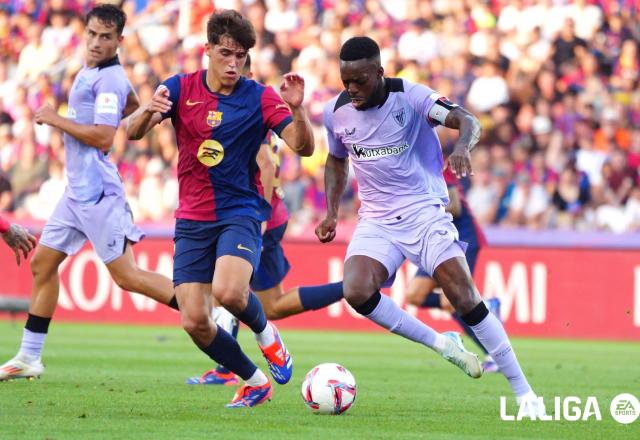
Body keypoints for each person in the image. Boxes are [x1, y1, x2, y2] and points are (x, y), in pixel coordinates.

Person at [315, 37, 544, 415]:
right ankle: (443, 345)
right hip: (377, 219)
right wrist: (331, 212)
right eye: (345, 81)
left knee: (465, 297)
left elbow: (467, 120)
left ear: (379, 73)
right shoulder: (335, 112)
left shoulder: (411, 96)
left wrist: (461, 147)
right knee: (356, 290)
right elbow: (336, 161)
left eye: (359, 81)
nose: (351, 89)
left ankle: (524, 393)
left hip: (425, 212)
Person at [126, 10, 314, 408]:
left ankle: (268, 337)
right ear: (207, 49)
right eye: (226, 53)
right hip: (192, 217)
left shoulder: (260, 96)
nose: (233, 63)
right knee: (194, 319)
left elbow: (303, 146)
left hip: (240, 211)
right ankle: (255, 380)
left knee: (229, 292)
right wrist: (147, 109)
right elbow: (132, 132)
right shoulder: (179, 87)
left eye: (241, 56)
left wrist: (297, 109)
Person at [0, 4, 182, 382]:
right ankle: (30, 356)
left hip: (98, 193)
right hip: (76, 192)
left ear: (120, 40)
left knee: (127, 277)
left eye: (106, 37)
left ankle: (205, 310)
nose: (97, 42)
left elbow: (102, 136)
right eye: (92, 35)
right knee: (42, 264)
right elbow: (130, 105)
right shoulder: (96, 71)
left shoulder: (110, 78)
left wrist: (56, 119)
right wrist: (138, 112)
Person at [406, 166, 501, 373]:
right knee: (414, 295)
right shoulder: (408, 169)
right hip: (439, 239)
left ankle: (495, 353)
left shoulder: (436, 167)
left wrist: (418, 209)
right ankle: (484, 305)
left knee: (450, 302)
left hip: (462, 238)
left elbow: (455, 207)